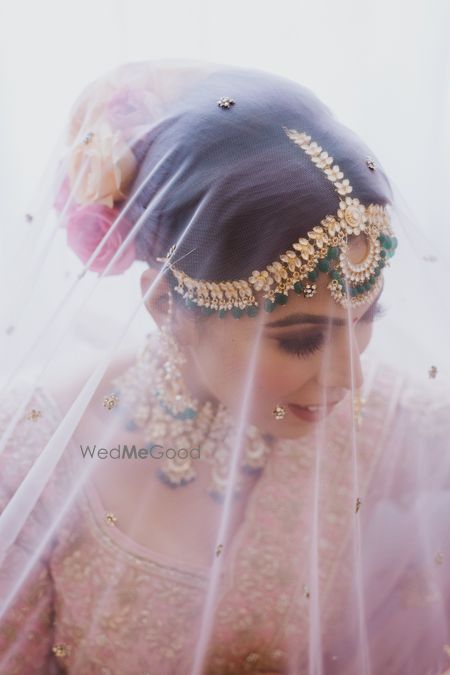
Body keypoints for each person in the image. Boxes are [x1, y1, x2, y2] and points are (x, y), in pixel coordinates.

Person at [0, 58, 449, 675]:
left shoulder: (408, 434)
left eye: (367, 319)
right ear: (164, 305)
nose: (351, 378)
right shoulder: (32, 457)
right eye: (300, 339)